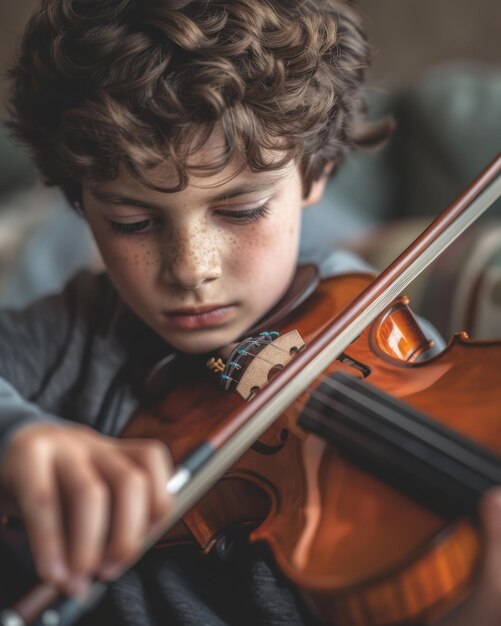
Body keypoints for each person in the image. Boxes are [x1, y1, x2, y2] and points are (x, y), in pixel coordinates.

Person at [0, 1, 500, 624]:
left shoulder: (389, 337)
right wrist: (17, 437)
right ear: (81, 202)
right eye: (133, 221)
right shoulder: (81, 330)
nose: (191, 267)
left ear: (318, 172)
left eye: (239, 210)